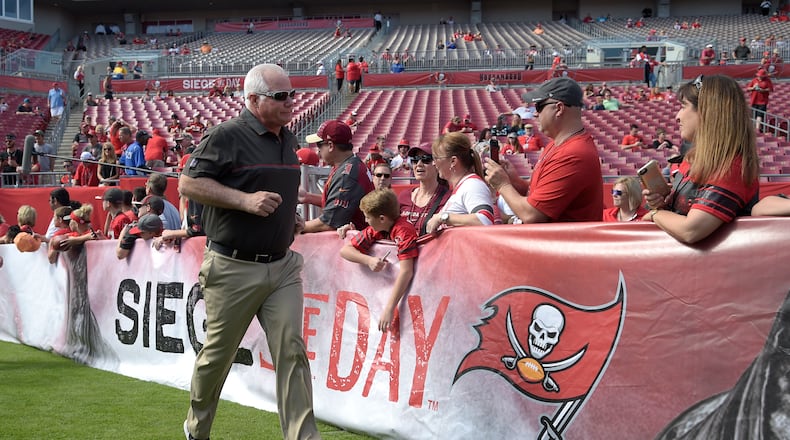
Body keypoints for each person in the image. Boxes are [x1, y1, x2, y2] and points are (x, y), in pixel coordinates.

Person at [178, 64, 320, 440]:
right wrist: (244, 200)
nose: (292, 102)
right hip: (232, 266)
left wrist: (289, 220)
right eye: (281, 96)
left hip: (283, 266)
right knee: (217, 357)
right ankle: (196, 429)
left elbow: (277, 189)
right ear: (254, 100)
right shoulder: (226, 135)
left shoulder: (288, 139)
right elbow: (188, 183)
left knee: (291, 351)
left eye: (292, 94)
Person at [642, 75, 760, 244]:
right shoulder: (692, 159)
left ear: (707, 112)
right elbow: (679, 216)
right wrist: (662, 203)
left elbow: (690, 230)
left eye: (683, 107)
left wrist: (656, 214)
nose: (677, 116)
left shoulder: (731, 167)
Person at [484, 77, 604, 223]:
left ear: (559, 108)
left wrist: (502, 184)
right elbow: (537, 195)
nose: (535, 113)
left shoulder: (573, 154)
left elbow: (532, 215)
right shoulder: (556, 145)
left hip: (564, 244)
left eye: (539, 106)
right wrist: (514, 181)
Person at [338, 189, 417, 332]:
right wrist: (368, 260)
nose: (365, 221)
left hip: (409, 296)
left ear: (382, 219)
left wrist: (389, 309)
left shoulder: (404, 231)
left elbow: (406, 271)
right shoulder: (375, 229)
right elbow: (345, 250)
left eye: (367, 217)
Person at [300, 120, 374, 233]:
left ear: (330, 145)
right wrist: (308, 197)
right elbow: (340, 203)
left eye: (319, 145)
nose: (318, 150)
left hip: (355, 243)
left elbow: (329, 223)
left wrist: (294, 227)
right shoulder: (350, 164)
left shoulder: (347, 175)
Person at [424, 132, 496, 233]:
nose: (433, 163)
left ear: (453, 161)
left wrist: (443, 217)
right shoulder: (464, 186)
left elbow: (485, 220)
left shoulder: (472, 185)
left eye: (436, 158)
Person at [396, 143, 450, 236]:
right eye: (415, 160)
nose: (419, 164)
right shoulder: (404, 196)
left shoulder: (448, 198)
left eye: (426, 159)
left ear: (436, 164)